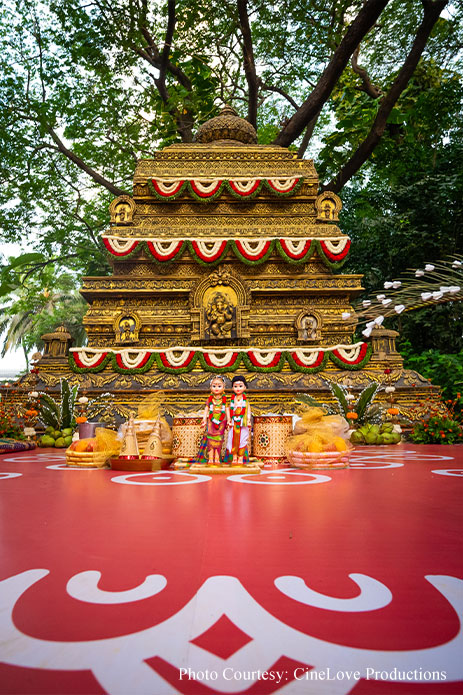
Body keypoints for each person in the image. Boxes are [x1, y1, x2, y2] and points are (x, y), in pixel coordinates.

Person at [197, 375, 231, 465]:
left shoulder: (224, 400)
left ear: (223, 388)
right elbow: (206, 409)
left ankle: (217, 458)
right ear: (210, 387)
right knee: (210, 440)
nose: (216, 388)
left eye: (219, 386)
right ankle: (211, 458)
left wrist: (229, 420)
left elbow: (227, 410)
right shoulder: (210, 399)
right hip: (211, 421)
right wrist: (204, 419)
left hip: (221, 422)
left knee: (219, 440)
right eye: (214, 386)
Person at [225, 375, 251, 465]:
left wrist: (248, 420)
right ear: (232, 388)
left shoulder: (245, 401)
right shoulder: (232, 400)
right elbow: (228, 409)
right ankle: (234, 457)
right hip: (234, 422)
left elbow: (247, 410)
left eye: (240, 386)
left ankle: (240, 457)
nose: (238, 388)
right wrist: (228, 420)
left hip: (242, 423)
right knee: (232, 440)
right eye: (235, 386)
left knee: (242, 440)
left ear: (244, 387)